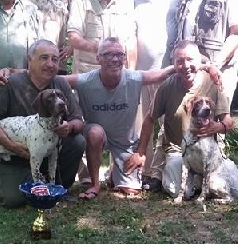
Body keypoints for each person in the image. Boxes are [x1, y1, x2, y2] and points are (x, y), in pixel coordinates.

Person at [0, 39, 85, 208]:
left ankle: (59, 189)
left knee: (77, 141)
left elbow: (78, 120)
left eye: (55, 59)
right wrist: (10, 145)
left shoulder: (61, 83)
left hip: (48, 150)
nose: (50, 64)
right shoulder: (10, 82)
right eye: (44, 58)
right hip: (14, 155)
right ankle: (10, 180)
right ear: (30, 59)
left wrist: (69, 127)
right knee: (14, 199)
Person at [63, 37, 175, 200]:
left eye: (119, 54)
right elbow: (53, 79)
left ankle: (115, 175)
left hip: (124, 142)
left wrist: (206, 67)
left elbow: (164, 73)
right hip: (96, 135)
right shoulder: (85, 81)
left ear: (124, 58)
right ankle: (94, 184)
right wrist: (14, 73)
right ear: (98, 58)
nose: (114, 59)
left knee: (132, 191)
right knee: (95, 132)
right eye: (108, 54)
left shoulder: (134, 78)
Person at [124, 40, 232, 200]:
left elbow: (229, 123)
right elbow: (149, 120)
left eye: (190, 60)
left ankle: (204, 181)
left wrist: (217, 127)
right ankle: (193, 182)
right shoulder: (167, 87)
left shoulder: (213, 83)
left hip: (207, 153)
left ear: (200, 61)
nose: (185, 65)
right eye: (179, 61)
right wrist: (140, 153)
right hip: (178, 152)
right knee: (181, 193)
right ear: (173, 63)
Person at [130, 0, 188, 182]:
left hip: (169, 74)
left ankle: (166, 173)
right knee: (143, 126)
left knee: (169, 125)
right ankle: (145, 173)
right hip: (142, 76)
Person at [67, 0, 137, 72]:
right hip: (88, 75)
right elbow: (73, 38)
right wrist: (100, 48)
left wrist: (131, 72)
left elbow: (131, 40)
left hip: (119, 75)